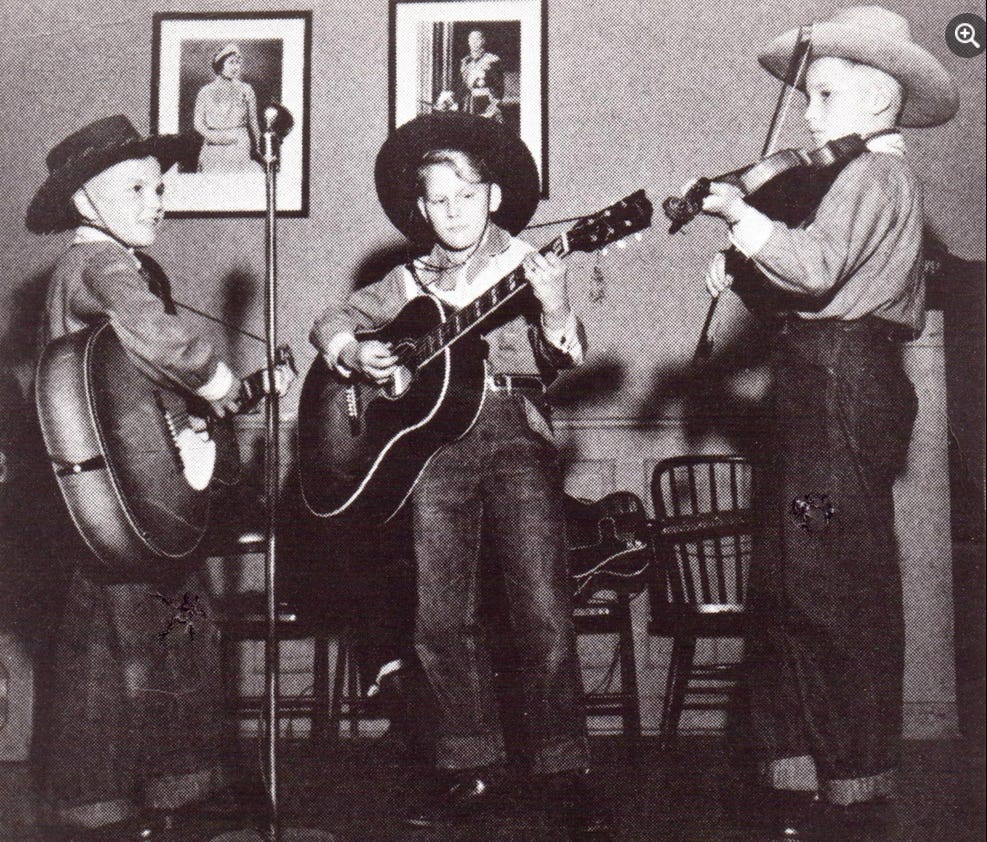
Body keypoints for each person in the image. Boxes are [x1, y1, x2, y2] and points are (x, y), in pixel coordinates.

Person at [310, 112, 612, 841]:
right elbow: (331, 320)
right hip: (432, 454)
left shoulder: (529, 262)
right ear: (421, 208)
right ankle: (468, 766)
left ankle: (563, 770)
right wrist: (354, 353)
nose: (452, 212)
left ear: (494, 198)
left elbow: (561, 358)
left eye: (466, 197)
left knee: (541, 608)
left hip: (515, 436)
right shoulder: (407, 280)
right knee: (441, 616)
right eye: (438, 200)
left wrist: (555, 304)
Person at [695, 7, 958, 840]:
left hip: (838, 386)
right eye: (808, 96)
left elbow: (814, 271)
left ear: (878, 101)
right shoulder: (860, 179)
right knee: (794, 582)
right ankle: (807, 771)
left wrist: (741, 220)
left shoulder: (874, 176)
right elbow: (812, 287)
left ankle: (851, 784)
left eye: (825, 95)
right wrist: (744, 266)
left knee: (827, 588)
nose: (808, 115)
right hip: (821, 382)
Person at [25, 114, 288, 840]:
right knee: (167, 633)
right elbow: (150, 330)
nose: (155, 202)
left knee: (104, 646)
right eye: (134, 189)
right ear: (84, 202)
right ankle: (172, 791)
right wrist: (215, 377)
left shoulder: (79, 271)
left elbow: (116, 386)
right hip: (125, 497)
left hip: (100, 495)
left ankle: (103, 802)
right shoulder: (103, 264)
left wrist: (190, 422)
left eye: (159, 188)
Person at [194, 44, 263, 174]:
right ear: (220, 65)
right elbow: (198, 124)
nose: (236, 67)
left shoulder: (246, 90)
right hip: (213, 148)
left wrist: (259, 146)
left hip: (239, 146)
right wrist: (215, 138)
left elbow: (253, 121)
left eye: (238, 63)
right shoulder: (205, 92)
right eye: (231, 62)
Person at [435, 29, 504, 122]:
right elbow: (461, 88)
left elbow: (499, 89)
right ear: (468, 42)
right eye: (471, 39)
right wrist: (448, 102)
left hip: (486, 107)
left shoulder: (492, 60)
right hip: (467, 107)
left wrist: (492, 109)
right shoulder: (465, 62)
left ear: (483, 41)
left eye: (477, 39)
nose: (474, 42)